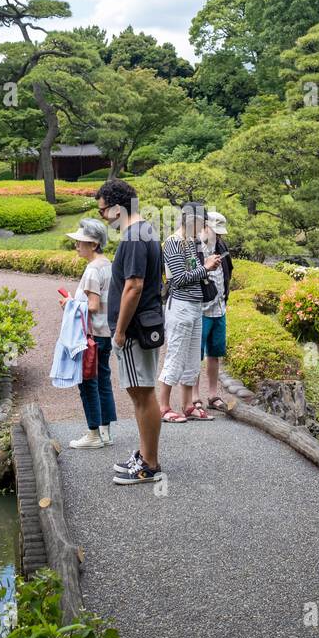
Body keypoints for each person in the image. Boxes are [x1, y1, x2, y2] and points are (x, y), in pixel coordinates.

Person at [97, 178, 165, 485]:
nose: (102, 217)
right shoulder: (144, 230)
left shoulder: (135, 237)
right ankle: (144, 454)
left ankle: (149, 464)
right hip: (142, 325)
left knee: (143, 393)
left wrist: (120, 330)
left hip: (136, 329)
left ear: (116, 208)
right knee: (139, 393)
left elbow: (133, 286)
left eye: (102, 211)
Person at [157, 201, 222, 423]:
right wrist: (206, 268)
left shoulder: (192, 242)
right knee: (175, 356)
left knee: (193, 359)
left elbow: (195, 272)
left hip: (196, 306)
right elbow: (179, 278)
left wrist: (208, 264)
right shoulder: (174, 243)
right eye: (202, 222)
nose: (203, 227)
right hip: (180, 306)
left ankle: (187, 405)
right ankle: (164, 407)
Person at [61, 219, 118, 449]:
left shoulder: (93, 269)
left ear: (94, 245)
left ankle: (93, 433)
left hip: (91, 335)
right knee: (103, 379)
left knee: (87, 382)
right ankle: (105, 431)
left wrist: (69, 303)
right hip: (106, 333)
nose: (77, 246)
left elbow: (92, 305)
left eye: (81, 243)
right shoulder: (108, 265)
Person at [198, 210, 233, 412]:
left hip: (219, 307)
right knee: (196, 354)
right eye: (215, 230)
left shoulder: (221, 245)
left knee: (215, 353)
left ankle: (212, 395)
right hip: (201, 309)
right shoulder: (196, 247)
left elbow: (228, 270)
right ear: (205, 226)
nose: (218, 235)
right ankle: (194, 397)